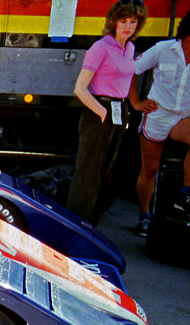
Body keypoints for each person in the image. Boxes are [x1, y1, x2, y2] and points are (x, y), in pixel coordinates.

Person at [67, 0, 148, 227]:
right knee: (88, 173)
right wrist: (101, 111)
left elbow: (127, 77)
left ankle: (94, 221)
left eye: (133, 22)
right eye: (123, 21)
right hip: (98, 110)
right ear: (114, 21)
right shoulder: (100, 48)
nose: (128, 26)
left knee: (107, 170)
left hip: (119, 111)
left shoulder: (129, 48)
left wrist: (132, 105)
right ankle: (78, 223)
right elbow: (79, 89)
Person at [129, 10, 190, 236]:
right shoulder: (163, 49)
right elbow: (131, 71)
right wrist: (135, 102)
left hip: (184, 116)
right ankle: (144, 216)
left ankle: (186, 194)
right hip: (157, 113)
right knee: (150, 169)